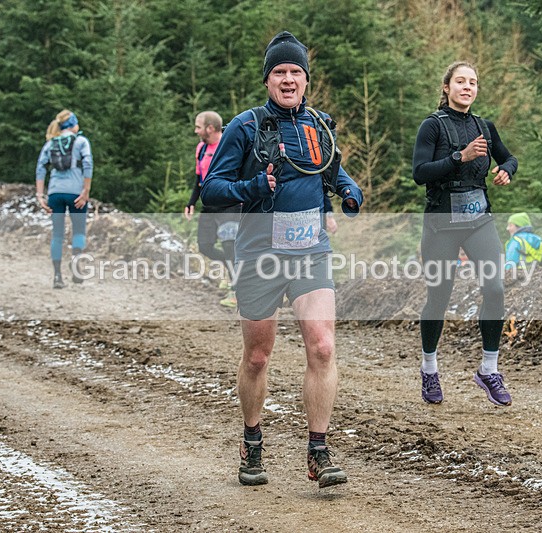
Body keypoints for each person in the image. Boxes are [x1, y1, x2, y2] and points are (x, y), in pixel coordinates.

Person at [201, 31, 362, 489]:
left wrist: (348, 190)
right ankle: (252, 441)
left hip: (310, 249)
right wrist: (252, 189)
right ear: (267, 80)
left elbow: (332, 169)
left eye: (296, 72)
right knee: (257, 356)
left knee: (323, 345)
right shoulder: (245, 127)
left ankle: (318, 451)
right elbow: (213, 189)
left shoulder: (319, 125)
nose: (288, 80)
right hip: (258, 253)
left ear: (306, 80)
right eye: (280, 72)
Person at [412, 61, 518, 407]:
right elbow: (420, 173)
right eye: (460, 81)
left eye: (473, 82)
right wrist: (460, 156)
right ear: (447, 87)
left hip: (478, 221)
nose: (467, 87)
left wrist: (506, 171)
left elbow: (510, 158)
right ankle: (429, 369)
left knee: (495, 286)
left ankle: (489, 370)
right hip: (441, 224)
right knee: (439, 298)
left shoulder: (484, 127)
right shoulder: (432, 126)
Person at [184, 111, 241, 308]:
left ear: (210, 128)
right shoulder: (201, 148)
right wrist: (191, 202)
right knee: (204, 246)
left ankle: (236, 293)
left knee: (229, 246)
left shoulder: (229, 147)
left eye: (198, 126)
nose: (195, 130)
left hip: (229, 206)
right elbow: (198, 180)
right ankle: (230, 269)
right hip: (209, 207)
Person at [35, 109, 93, 289]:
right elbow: (88, 164)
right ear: (74, 124)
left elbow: (40, 168)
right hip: (76, 192)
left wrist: (39, 195)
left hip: (55, 192)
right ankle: (76, 270)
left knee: (57, 234)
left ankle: (57, 277)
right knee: (79, 231)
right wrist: (86, 190)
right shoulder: (81, 141)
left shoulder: (50, 143)